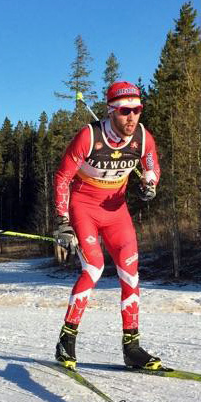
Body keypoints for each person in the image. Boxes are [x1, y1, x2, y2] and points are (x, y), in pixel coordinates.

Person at [52, 81, 162, 371]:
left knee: (130, 272)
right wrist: (63, 222)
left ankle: (132, 348)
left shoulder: (142, 137)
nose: (132, 117)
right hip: (84, 207)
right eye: (125, 111)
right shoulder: (89, 136)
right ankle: (67, 340)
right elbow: (63, 177)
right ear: (111, 111)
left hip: (117, 211)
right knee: (94, 267)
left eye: (137, 110)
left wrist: (149, 185)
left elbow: (152, 168)